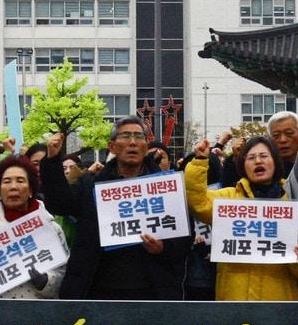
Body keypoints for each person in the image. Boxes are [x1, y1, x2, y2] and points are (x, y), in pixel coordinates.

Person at [41, 117, 190, 300]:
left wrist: (162, 248)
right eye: (126, 136)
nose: (133, 142)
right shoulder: (91, 184)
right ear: (112, 147)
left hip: (153, 291)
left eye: (138, 136)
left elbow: (184, 238)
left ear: (145, 145)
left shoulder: (166, 188)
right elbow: (59, 204)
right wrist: (53, 161)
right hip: (96, 289)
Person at [185, 135, 298, 301]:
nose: (258, 162)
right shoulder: (230, 199)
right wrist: (199, 161)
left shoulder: (292, 201)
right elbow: (198, 204)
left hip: (279, 305)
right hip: (234, 301)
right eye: (251, 157)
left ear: (275, 162)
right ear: (243, 165)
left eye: (264, 156)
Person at [0, 155, 64, 300]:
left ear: (31, 190)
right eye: (6, 181)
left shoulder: (51, 229)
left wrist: (47, 281)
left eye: (20, 181)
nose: (13, 187)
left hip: (33, 318)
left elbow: (63, 273)